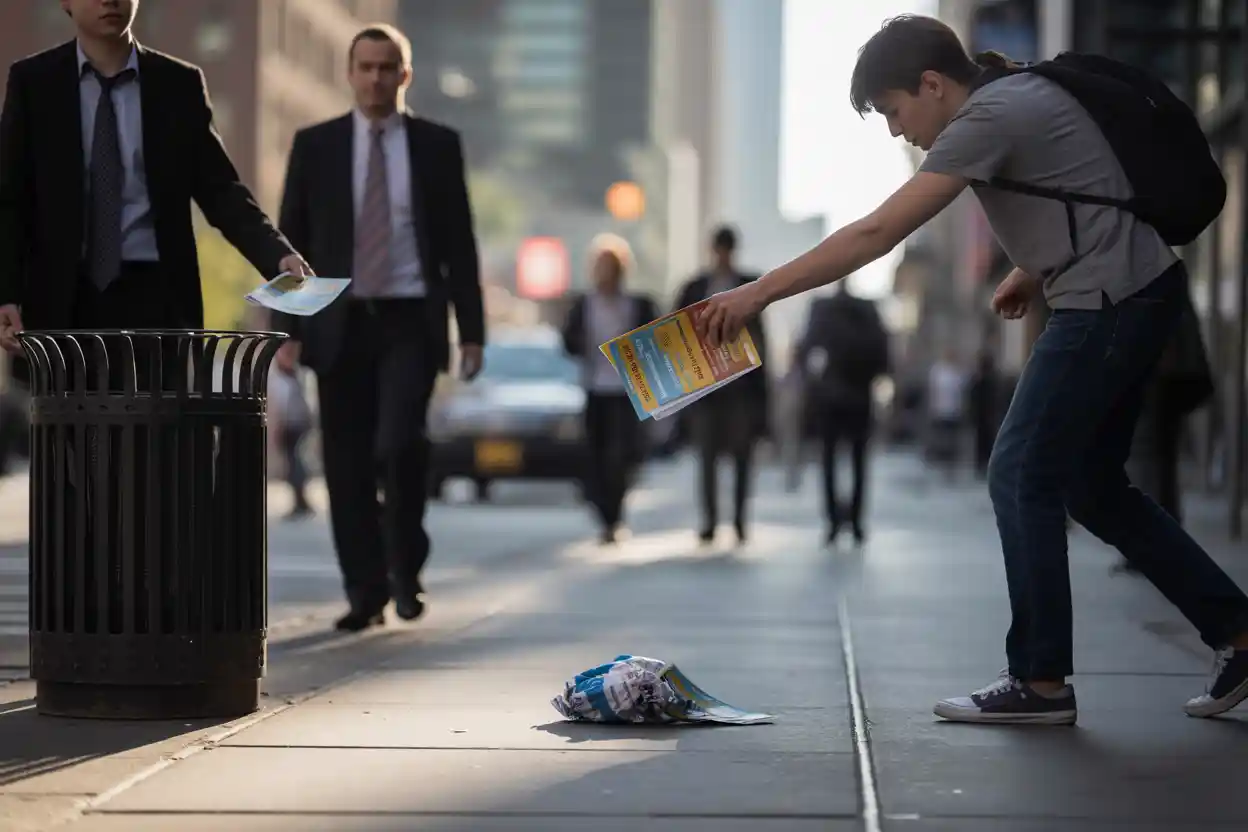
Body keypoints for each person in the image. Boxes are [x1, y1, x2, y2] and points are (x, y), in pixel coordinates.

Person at [695, 14, 1248, 725]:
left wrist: (757, 291)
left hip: (1109, 303)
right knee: (1090, 487)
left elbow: (876, 232)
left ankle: (1041, 681)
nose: (898, 132)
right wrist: (1033, 268)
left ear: (932, 85)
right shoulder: (1015, 96)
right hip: (1124, 292)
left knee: (1019, 472)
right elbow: (1085, 184)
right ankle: (1235, 630)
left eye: (896, 112)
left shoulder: (989, 114)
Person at [272, 24, 485, 633]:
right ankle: (364, 592)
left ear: (405, 75)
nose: (375, 78)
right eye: (365, 67)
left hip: (410, 322)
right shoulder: (316, 145)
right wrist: (288, 327)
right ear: (349, 72)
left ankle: (405, 569)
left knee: (398, 446)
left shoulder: (437, 145)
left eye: (387, 67)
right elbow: (293, 241)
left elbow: (458, 246)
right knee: (345, 463)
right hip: (339, 324)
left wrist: (471, 331)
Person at [0, 0, 309, 362]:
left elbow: (220, 190)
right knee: (71, 419)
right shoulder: (34, 83)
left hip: (158, 301)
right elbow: (10, 198)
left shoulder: (178, 85)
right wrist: (6, 293)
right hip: (61, 302)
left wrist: (277, 255)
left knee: (159, 417)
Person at [673, 225, 770, 545]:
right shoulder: (695, 287)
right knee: (707, 456)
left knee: (742, 455)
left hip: (740, 387)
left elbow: (761, 343)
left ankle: (740, 519)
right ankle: (711, 520)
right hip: (705, 389)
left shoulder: (747, 286)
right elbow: (676, 334)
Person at [560, 235, 658, 544]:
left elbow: (656, 342)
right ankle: (604, 514)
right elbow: (567, 341)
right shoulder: (583, 305)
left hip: (627, 391)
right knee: (596, 455)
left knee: (622, 456)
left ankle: (615, 515)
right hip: (595, 389)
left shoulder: (638, 305)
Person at [797, 283, 890, 544]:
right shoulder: (867, 311)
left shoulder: (822, 309)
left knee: (828, 461)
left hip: (830, 397)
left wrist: (814, 384)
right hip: (859, 396)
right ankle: (856, 521)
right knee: (859, 461)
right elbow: (883, 352)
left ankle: (833, 521)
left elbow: (805, 350)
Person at [270, 346, 314, 521]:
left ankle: (300, 501)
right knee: (293, 460)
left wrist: (278, 429)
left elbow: (285, 407)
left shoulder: (288, 379)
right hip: (295, 425)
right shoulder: (292, 378)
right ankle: (300, 500)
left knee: (293, 461)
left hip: (293, 425)